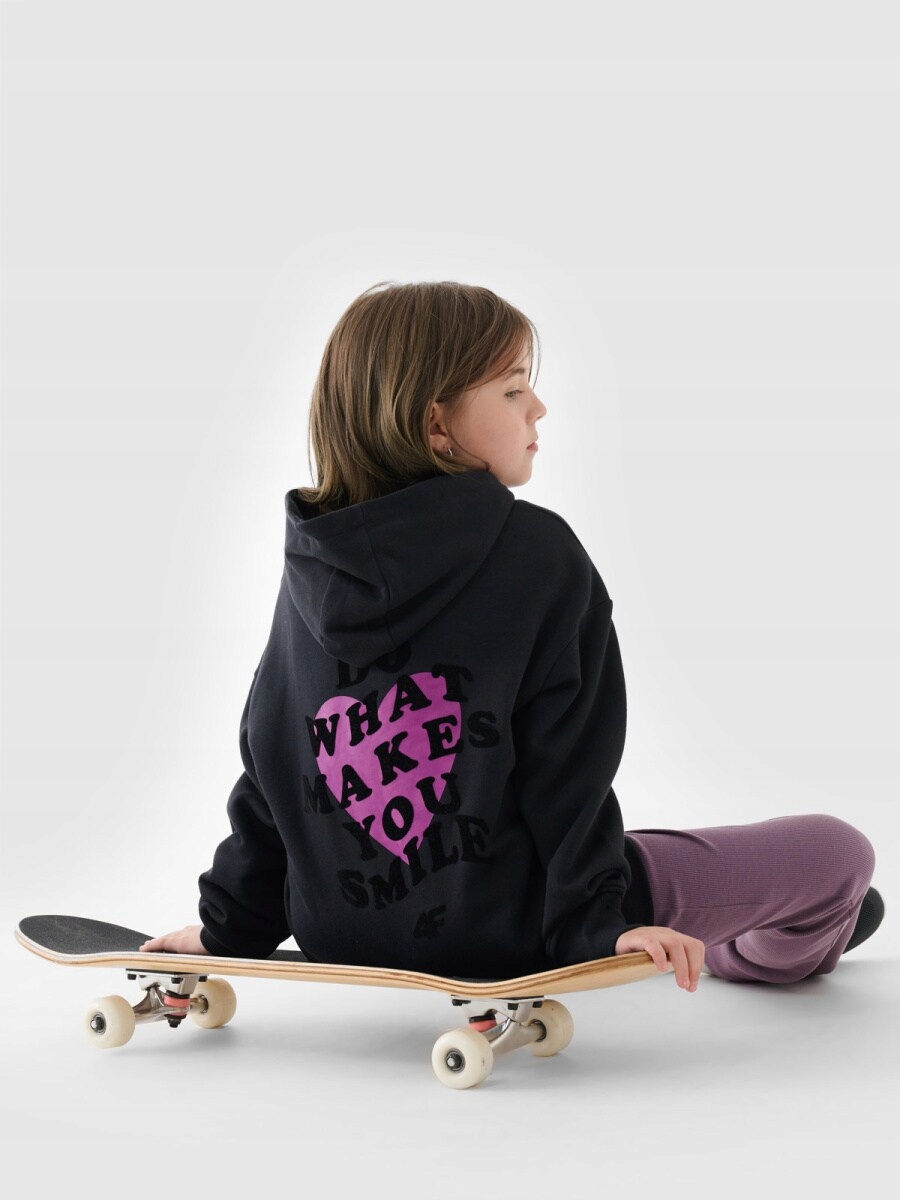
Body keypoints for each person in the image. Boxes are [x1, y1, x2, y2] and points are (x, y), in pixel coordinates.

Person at [139, 280, 884, 991]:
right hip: (528, 927)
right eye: (512, 389)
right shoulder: (538, 553)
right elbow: (569, 770)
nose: (539, 407)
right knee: (837, 852)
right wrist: (597, 929)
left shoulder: (313, 563)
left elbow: (276, 760)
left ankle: (779, 926)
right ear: (437, 425)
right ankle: (756, 951)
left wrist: (229, 927)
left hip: (340, 932)